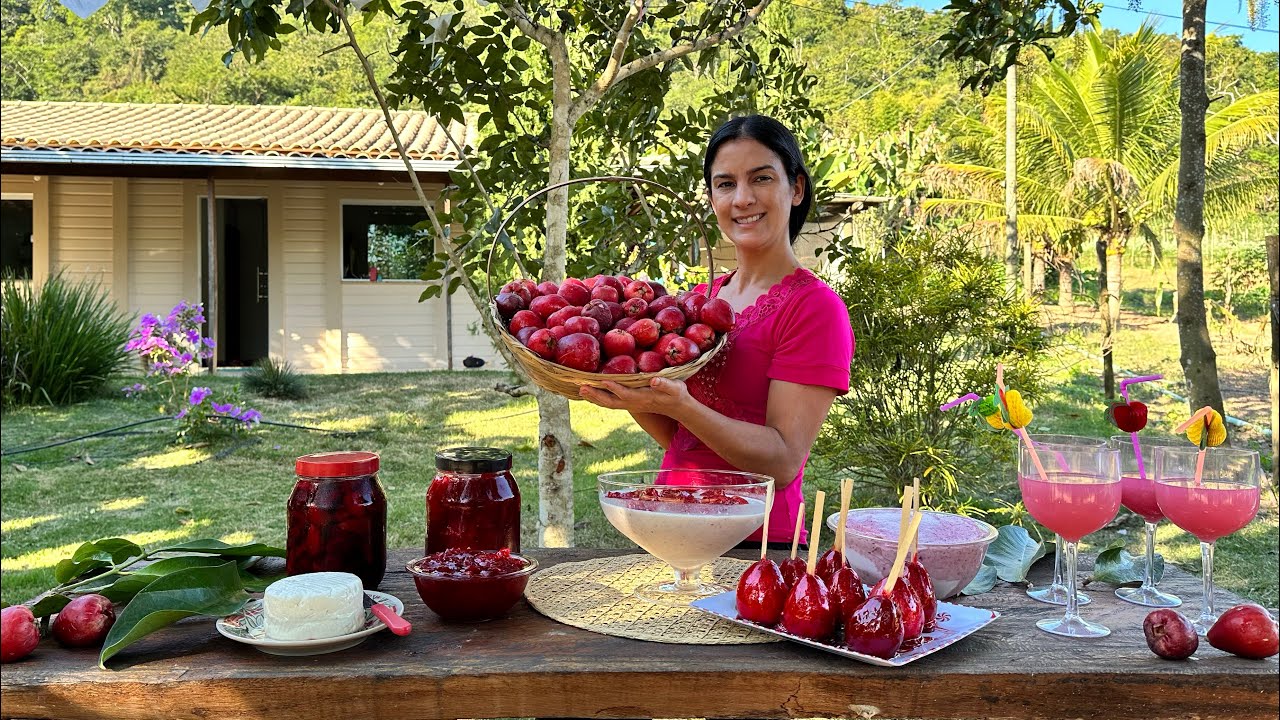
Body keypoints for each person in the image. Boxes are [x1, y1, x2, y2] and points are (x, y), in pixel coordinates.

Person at [579, 115, 854, 548]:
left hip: (758, 545)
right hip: (672, 525)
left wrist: (683, 406)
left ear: (796, 188)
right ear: (711, 198)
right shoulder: (699, 301)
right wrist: (621, 386)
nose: (742, 199)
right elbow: (682, 438)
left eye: (761, 178)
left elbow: (783, 461)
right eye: (725, 184)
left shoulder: (814, 308)